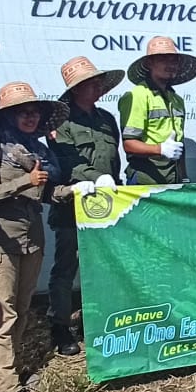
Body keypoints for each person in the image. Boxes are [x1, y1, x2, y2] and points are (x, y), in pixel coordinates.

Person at [0, 82, 69, 392]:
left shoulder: (35, 149)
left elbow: (44, 193)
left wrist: (75, 191)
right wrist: (22, 182)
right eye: (22, 112)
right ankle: (6, 388)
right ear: (9, 115)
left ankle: (14, 376)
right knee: (3, 315)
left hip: (32, 239)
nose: (30, 117)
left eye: (34, 112)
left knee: (24, 310)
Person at [48, 56, 123, 356]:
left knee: (104, 267)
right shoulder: (61, 123)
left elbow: (114, 158)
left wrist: (112, 182)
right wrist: (95, 178)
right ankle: (60, 326)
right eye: (88, 83)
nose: (95, 87)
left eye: (97, 82)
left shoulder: (107, 119)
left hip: (107, 205)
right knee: (67, 267)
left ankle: (97, 320)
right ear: (74, 90)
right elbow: (64, 164)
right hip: (72, 204)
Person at [120, 36, 196, 185]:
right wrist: (159, 149)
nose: (171, 64)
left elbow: (179, 146)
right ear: (150, 63)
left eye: (174, 60)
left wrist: (184, 176)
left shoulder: (177, 100)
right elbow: (129, 144)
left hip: (173, 179)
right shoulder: (137, 95)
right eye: (164, 59)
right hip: (145, 179)